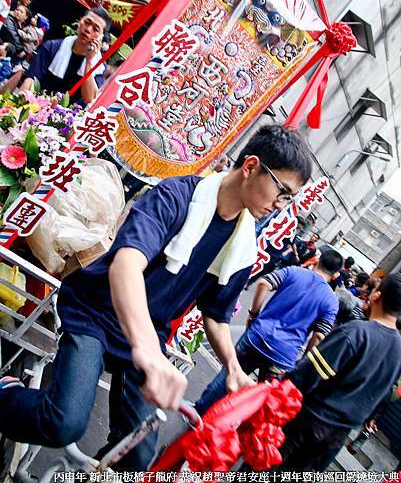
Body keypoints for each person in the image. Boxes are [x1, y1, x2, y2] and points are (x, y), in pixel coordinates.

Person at [0, 124, 312, 471]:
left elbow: (217, 314)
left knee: (137, 456)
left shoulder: (242, 247)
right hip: (97, 315)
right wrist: (148, 350)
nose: (280, 205)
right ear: (251, 166)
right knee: (63, 422)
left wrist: (234, 369)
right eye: (282, 191)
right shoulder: (176, 197)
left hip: (150, 336)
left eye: (289, 199)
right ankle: (6, 390)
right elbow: (126, 265)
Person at [277, 273, 401, 472]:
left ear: (377, 295)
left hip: (308, 423)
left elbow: (307, 374)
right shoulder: (398, 349)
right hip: (337, 436)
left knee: (265, 468)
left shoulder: (356, 332)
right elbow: (383, 394)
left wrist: (281, 383)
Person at [195, 250, 341, 415]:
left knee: (227, 376)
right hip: (283, 357)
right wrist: (304, 360)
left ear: (317, 261)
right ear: (335, 275)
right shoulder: (331, 302)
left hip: (257, 337)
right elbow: (319, 336)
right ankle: (228, 428)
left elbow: (264, 283)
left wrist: (253, 314)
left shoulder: (294, 271)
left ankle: (199, 413)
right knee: (260, 399)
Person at [20, 7, 110, 105]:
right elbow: (32, 78)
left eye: (95, 29)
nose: (88, 29)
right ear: (80, 21)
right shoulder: (52, 47)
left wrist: (89, 62)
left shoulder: (100, 67)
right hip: (37, 104)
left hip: (68, 117)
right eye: (87, 22)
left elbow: (89, 99)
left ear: (101, 37)